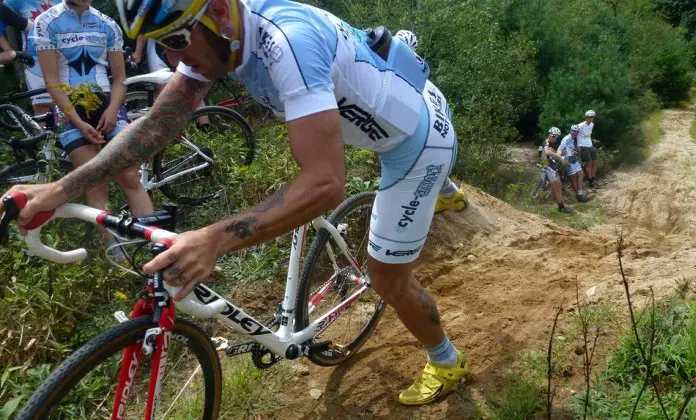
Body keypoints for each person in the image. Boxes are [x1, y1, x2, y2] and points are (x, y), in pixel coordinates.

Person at [4, 0, 469, 405]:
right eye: (160, 45)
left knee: (386, 276)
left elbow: (327, 185)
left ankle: (445, 360)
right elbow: (154, 127)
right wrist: (61, 189)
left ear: (221, 13)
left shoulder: (289, 44)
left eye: (177, 41)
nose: (172, 57)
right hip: (373, 114)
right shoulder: (214, 35)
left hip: (415, 141)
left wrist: (212, 240)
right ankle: (443, 191)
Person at [31, 0, 153, 250]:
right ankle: (116, 253)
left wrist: (111, 110)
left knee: (128, 175)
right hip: (70, 111)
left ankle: (152, 244)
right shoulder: (46, 22)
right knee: (95, 182)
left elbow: (120, 79)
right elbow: (52, 81)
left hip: (107, 104)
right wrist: (76, 120)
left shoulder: (107, 24)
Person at [394, 28, 467, 214]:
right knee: (431, 161)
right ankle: (451, 194)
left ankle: (420, 204)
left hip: (421, 133)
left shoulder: (397, 70)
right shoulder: (425, 76)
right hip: (444, 134)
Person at [3, 0, 58, 117]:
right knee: (43, 109)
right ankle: (48, 135)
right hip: (35, 60)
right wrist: (8, 50)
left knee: (74, 103)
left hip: (64, 57)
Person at [539, 127, 573, 213]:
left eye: (556, 137)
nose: (555, 138)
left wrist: (562, 156)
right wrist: (560, 158)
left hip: (550, 166)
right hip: (547, 167)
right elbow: (547, 152)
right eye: (553, 136)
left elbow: (553, 154)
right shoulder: (546, 143)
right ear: (549, 135)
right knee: (556, 186)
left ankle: (560, 205)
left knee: (558, 185)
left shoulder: (550, 144)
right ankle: (561, 207)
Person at [558, 124, 588, 203]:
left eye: (577, 132)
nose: (576, 133)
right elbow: (559, 150)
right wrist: (562, 158)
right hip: (567, 159)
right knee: (573, 177)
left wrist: (576, 150)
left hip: (572, 157)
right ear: (571, 131)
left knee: (581, 174)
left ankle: (580, 193)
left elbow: (571, 148)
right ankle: (579, 196)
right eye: (574, 131)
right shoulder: (567, 138)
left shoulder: (573, 138)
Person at [578, 110, 599, 188]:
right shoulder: (580, 126)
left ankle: (593, 179)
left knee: (595, 161)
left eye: (592, 117)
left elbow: (588, 135)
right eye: (589, 117)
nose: (590, 119)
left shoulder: (592, 125)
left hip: (589, 145)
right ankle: (590, 181)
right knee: (589, 162)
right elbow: (574, 135)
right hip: (582, 146)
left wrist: (592, 140)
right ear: (586, 117)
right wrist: (577, 146)